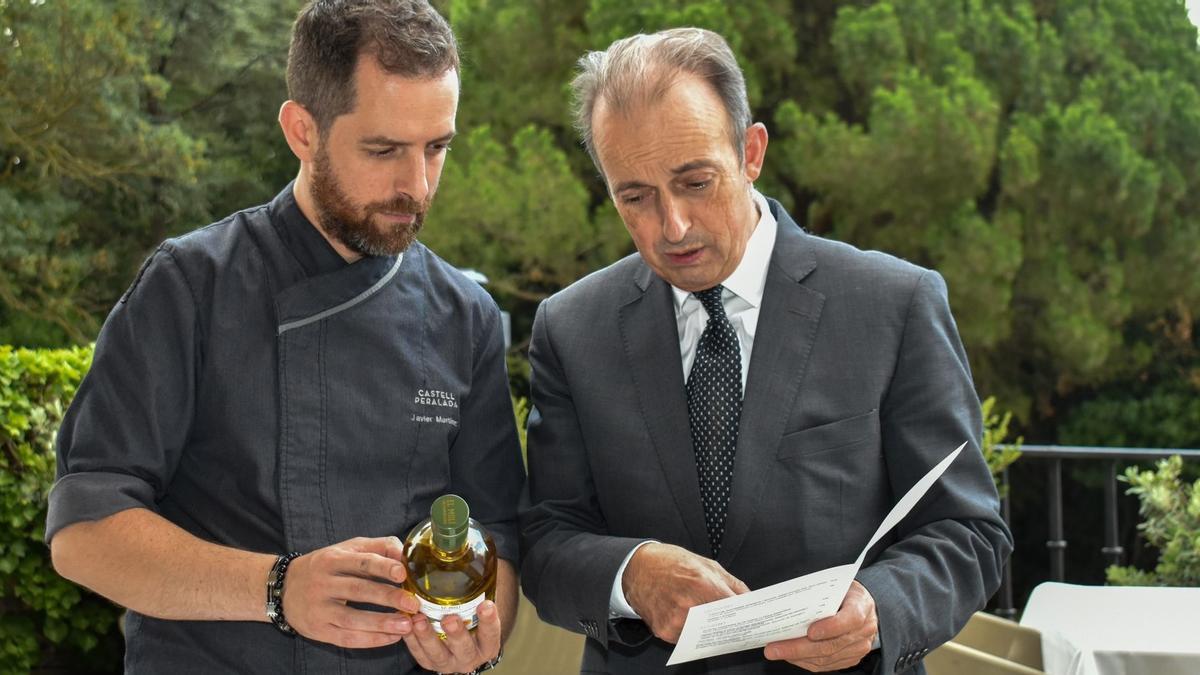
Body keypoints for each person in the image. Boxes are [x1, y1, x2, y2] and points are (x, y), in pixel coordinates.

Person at [45, 2, 523, 673]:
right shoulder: (190, 286)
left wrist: (474, 637)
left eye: (436, 147)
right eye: (384, 150)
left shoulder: (465, 314)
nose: (416, 186)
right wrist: (276, 588)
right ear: (302, 130)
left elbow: (496, 533)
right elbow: (85, 533)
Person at [518, 27, 1013, 675]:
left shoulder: (894, 304)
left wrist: (878, 608)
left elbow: (969, 531)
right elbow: (546, 538)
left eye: (696, 182)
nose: (673, 226)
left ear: (751, 152)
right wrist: (629, 573)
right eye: (634, 196)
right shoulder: (571, 326)